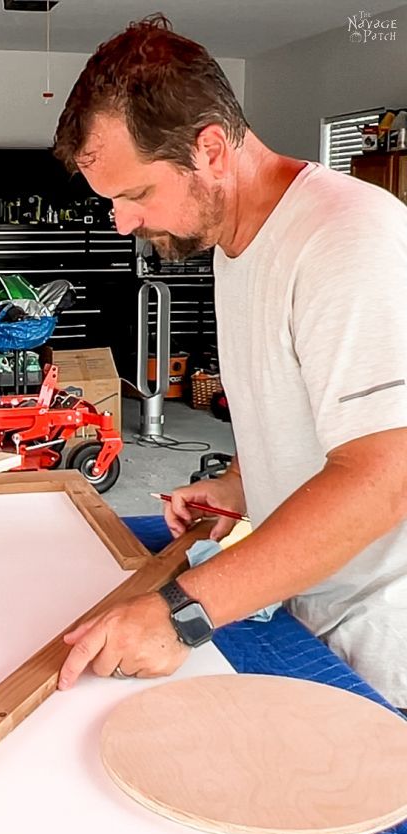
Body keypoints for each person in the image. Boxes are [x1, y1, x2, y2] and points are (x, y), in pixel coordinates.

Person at [52, 14, 407, 708]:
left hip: (380, 654)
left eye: (135, 195)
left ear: (210, 148)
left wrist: (185, 611)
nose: (123, 223)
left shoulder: (346, 241)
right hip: (306, 612)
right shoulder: (236, 240)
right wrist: (244, 484)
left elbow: (385, 474)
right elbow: (308, 412)